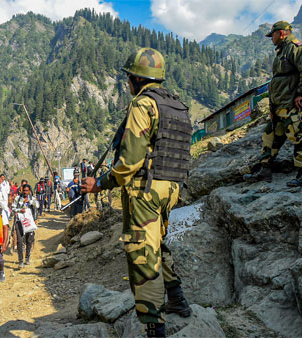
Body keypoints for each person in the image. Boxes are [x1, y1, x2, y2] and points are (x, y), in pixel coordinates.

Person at [81, 48, 193, 337]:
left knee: (142, 254)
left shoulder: (143, 105)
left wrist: (100, 183)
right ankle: (178, 299)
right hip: (171, 188)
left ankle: (154, 327)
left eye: (129, 78)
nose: (127, 83)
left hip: (146, 190)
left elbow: (129, 163)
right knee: (157, 243)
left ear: (136, 79)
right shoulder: (176, 105)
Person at [244, 21, 302, 187]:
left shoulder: (295, 48)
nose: (271, 38)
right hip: (279, 106)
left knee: (298, 136)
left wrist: (300, 94)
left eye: (273, 35)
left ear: (282, 33)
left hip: (291, 103)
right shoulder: (282, 51)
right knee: (269, 136)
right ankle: (265, 170)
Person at [11, 184, 39, 268]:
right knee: (19, 241)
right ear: (22, 190)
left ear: (29, 191)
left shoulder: (32, 199)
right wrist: (20, 210)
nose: (25, 192)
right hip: (19, 222)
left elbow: (37, 206)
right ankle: (20, 261)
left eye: (27, 191)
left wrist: (30, 202)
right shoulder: (18, 198)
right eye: (24, 190)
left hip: (29, 222)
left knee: (29, 240)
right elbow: (13, 208)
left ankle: (27, 257)